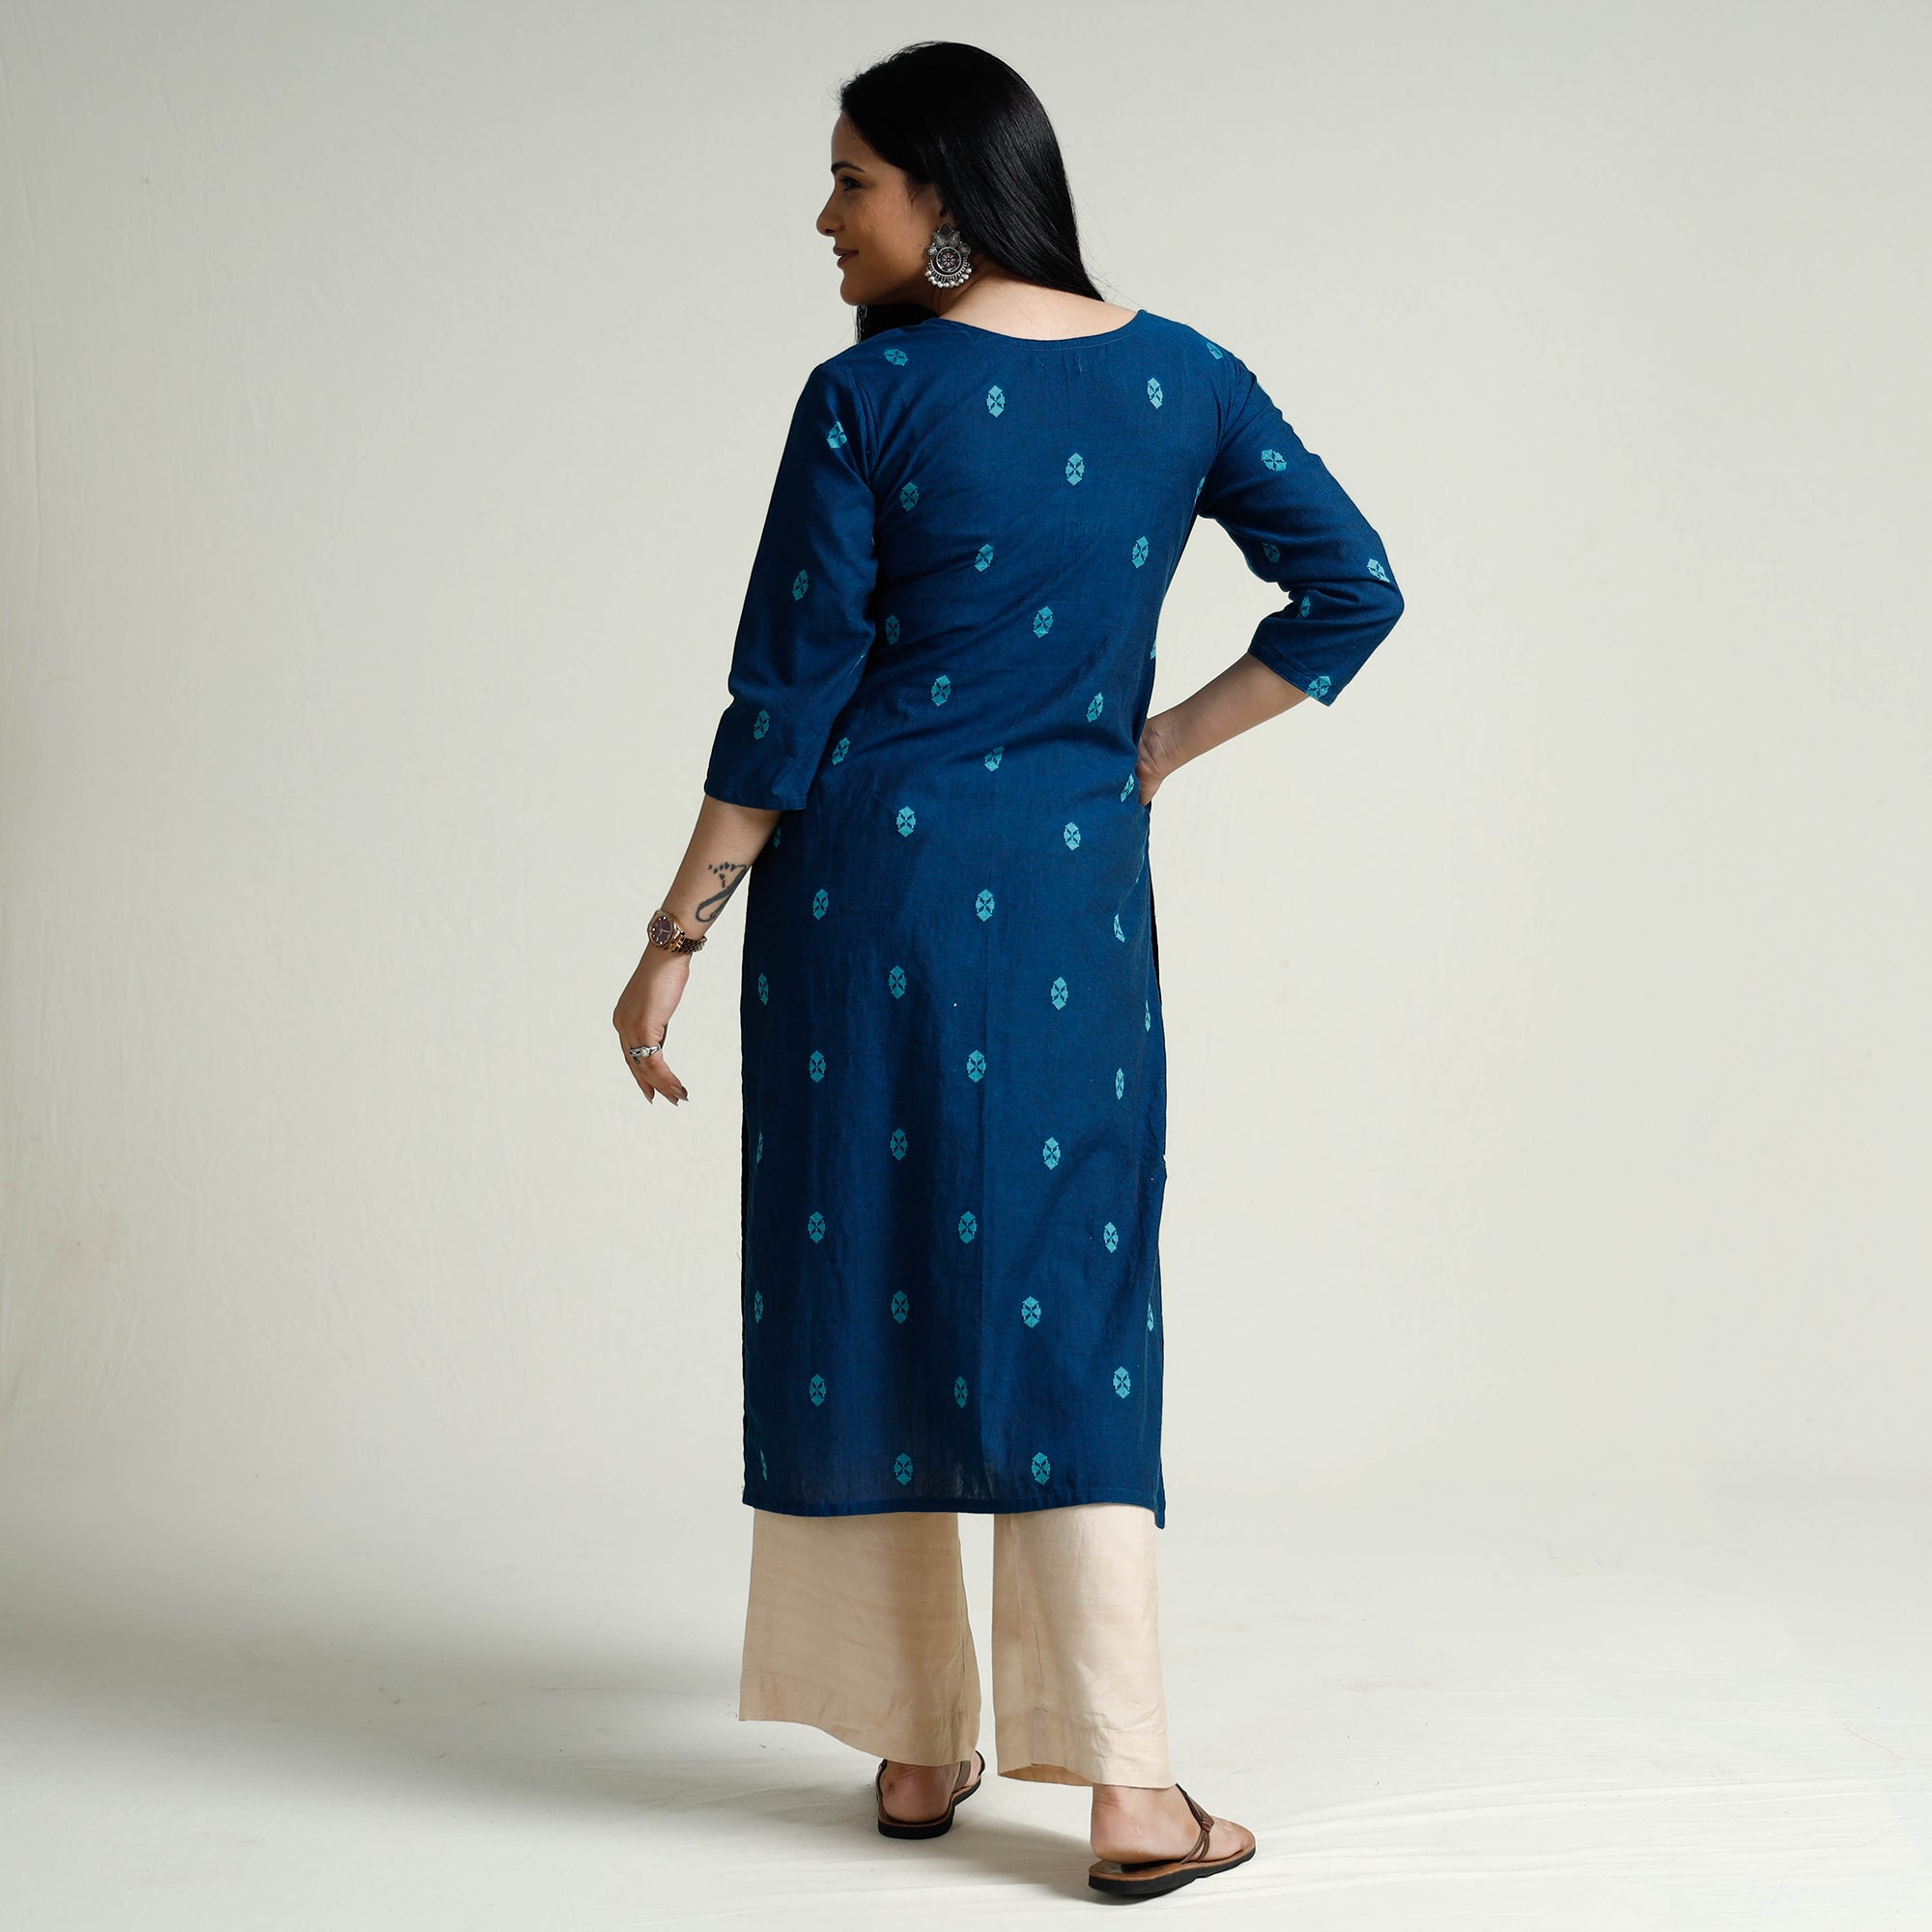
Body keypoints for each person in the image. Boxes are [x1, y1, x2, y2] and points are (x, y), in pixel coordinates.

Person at [611, 39, 1405, 1900]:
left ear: (948, 199)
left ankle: (913, 1744)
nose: (825, 217)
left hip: (860, 902)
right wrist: (1153, 747)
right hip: (1064, 898)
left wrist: (670, 940)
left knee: (867, 1263)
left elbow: (782, 704)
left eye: (853, 181)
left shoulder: (864, 396)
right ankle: (1128, 1793)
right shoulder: (1186, 377)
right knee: (1068, 1292)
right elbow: (1353, 585)